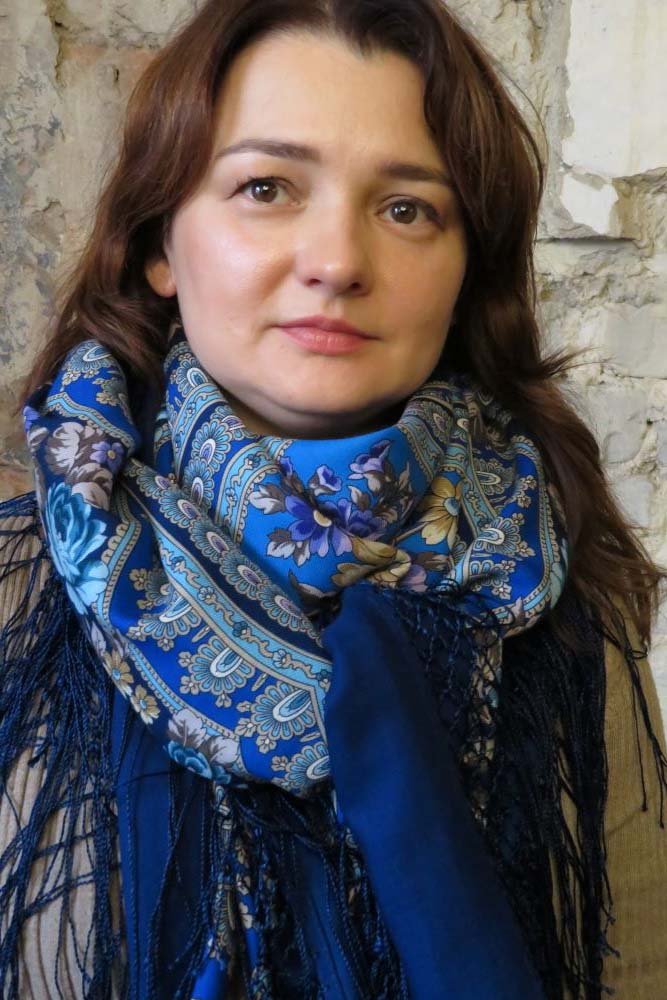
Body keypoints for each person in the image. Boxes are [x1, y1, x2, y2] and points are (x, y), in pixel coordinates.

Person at [0, 1, 665, 997]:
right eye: (265, 188)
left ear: (465, 268)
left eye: (407, 209)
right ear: (160, 243)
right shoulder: (16, 591)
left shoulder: (550, 591)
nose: (339, 262)